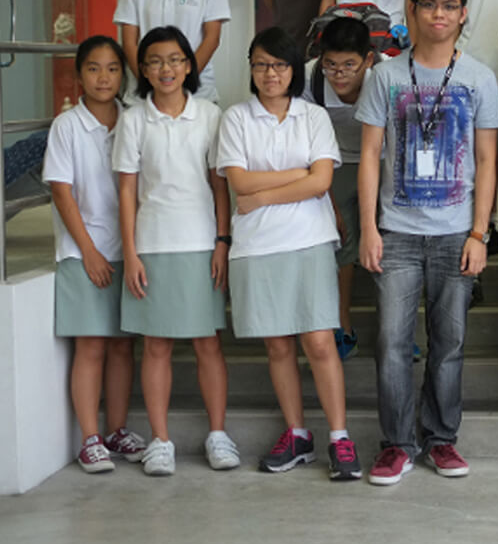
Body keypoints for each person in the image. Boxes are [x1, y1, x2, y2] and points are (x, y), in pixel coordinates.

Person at [357, 0, 498, 484]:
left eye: (448, 6)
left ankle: (441, 440)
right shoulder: (386, 76)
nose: (437, 15)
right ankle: (397, 444)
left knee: (449, 343)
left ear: (462, 13)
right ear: (411, 10)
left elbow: (487, 161)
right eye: (427, 5)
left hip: (455, 232)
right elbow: (370, 154)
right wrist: (370, 229)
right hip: (395, 232)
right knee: (391, 343)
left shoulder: (479, 78)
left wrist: (479, 233)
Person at [218, 27, 361, 481]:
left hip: (309, 240)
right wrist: (294, 176)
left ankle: (339, 438)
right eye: (260, 64)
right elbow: (237, 182)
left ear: (294, 70)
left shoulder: (312, 116)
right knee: (278, 346)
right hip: (256, 247)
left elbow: (320, 183)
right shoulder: (236, 119)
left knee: (319, 343)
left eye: (279, 65)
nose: (270, 73)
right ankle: (297, 434)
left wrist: (262, 195)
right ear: (251, 70)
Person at [113, 26, 238, 476]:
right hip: (152, 246)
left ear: (189, 64)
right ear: (143, 70)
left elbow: (218, 185)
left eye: (174, 59)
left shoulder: (209, 115)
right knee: (156, 345)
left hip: (202, 243)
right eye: (155, 62)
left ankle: (218, 435)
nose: (165, 69)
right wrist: (130, 253)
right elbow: (127, 193)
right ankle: (160, 440)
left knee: (208, 342)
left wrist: (222, 241)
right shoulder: (132, 119)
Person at [45, 36, 146, 473]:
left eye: (111, 68)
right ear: (78, 75)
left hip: (128, 250)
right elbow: (62, 194)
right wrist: (88, 252)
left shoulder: (133, 120)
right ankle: (89, 437)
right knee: (91, 346)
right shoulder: (66, 126)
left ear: (123, 74)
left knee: (123, 347)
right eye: (93, 68)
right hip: (83, 253)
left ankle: (116, 430)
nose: (103, 77)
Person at [300, 17, 375, 360]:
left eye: (349, 65)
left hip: (381, 159)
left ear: (368, 60)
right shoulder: (309, 78)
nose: (339, 74)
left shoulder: (385, 79)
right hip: (333, 162)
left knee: (387, 242)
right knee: (342, 244)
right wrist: (327, 200)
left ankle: (395, 329)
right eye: (331, 65)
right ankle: (342, 325)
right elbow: (304, 144)